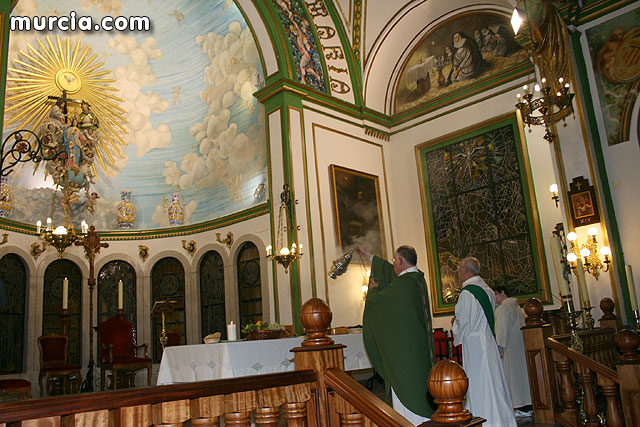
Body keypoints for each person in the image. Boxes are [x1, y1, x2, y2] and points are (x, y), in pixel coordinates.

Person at [357, 245, 435, 425]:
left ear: (400, 261)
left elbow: (379, 301)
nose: (392, 265)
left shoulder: (403, 285)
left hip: (406, 356)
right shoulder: (417, 280)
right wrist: (370, 256)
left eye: (394, 261)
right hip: (420, 349)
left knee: (408, 390)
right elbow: (389, 272)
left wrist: (374, 290)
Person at [451, 257, 516, 427]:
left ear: (465, 270)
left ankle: (484, 418)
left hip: (475, 344)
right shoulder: (486, 289)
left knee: (480, 381)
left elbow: (464, 322)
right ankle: (502, 418)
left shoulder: (467, 293)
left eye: (458, 268)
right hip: (487, 339)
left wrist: (455, 325)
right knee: (493, 380)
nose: (457, 271)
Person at [494, 286, 533, 418]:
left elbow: (501, 329)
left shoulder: (503, 308)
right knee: (521, 378)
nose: (495, 298)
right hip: (519, 346)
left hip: (509, 347)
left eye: (495, 294)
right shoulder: (516, 307)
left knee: (514, 379)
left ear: (502, 293)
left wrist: (499, 346)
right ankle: (527, 405)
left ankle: (521, 406)